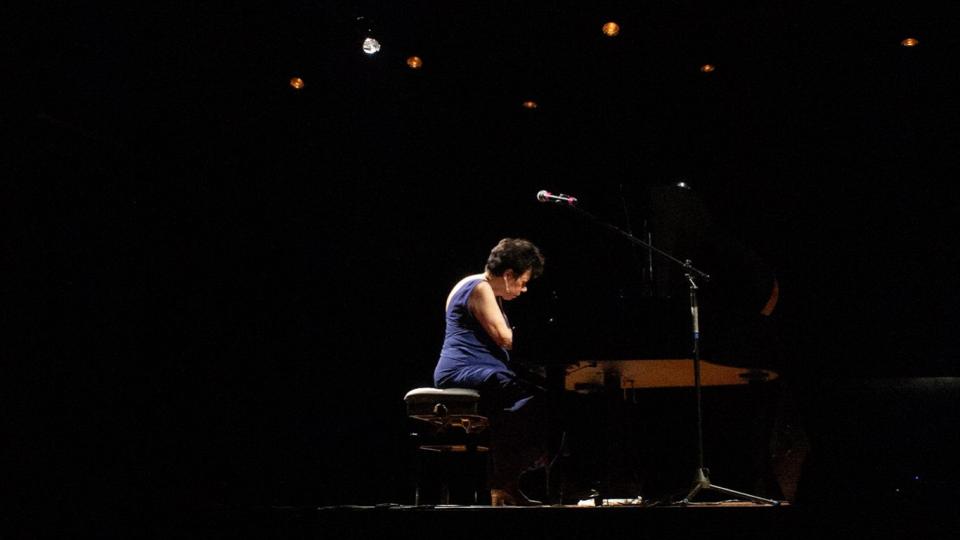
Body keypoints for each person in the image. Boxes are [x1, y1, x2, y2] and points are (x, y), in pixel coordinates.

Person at [433, 238, 547, 506]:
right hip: (463, 370)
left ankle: (506, 482)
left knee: (529, 395)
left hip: (468, 369)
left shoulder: (470, 284)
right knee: (532, 397)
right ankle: (503, 480)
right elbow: (505, 339)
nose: (524, 289)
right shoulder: (480, 288)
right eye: (522, 281)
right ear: (508, 275)